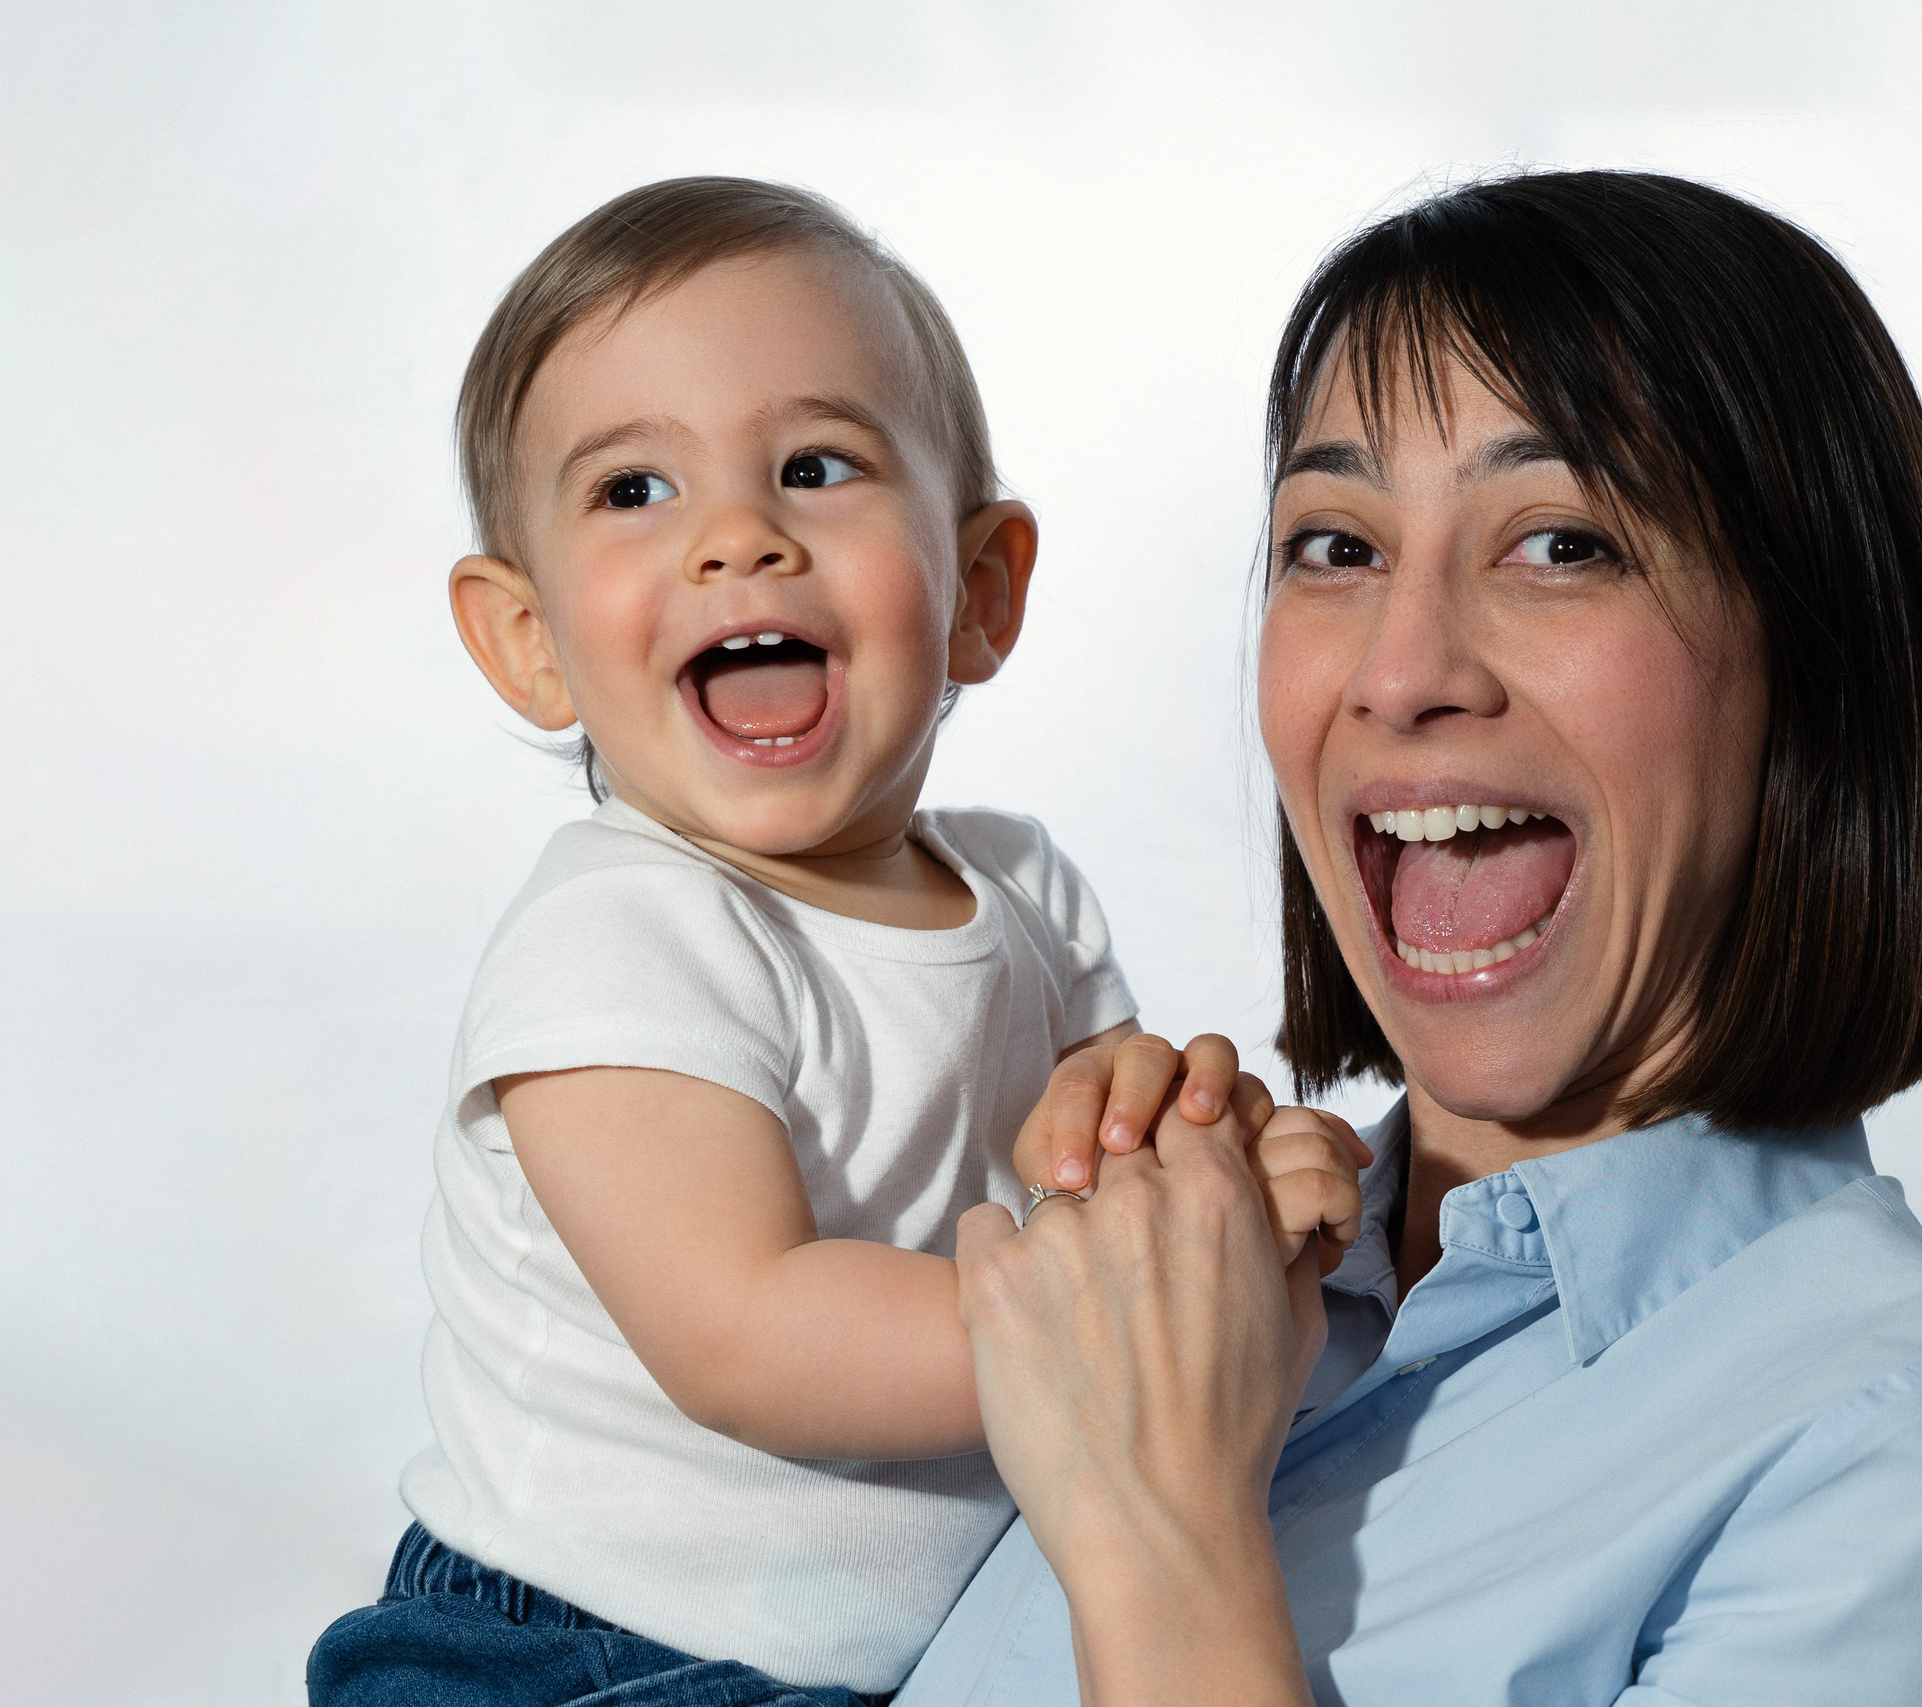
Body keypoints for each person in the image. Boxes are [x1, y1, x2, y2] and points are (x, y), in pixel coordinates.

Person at [909, 170, 1922, 1704]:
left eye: (1559, 542)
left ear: (1819, 672)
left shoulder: (1917, 1472)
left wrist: (1162, 1529)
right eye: (1336, 546)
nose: (1402, 670)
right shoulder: (1196, 1277)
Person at [306, 177, 1363, 1706]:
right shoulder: (621, 932)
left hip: (896, 1661)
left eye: (815, 466)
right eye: (632, 491)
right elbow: (747, 1333)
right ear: (529, 642)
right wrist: (1130, 1322)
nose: (737, 538)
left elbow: (1094, 1170)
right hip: (571, 1655)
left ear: (980, 594)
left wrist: (1212, 1172)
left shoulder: (1027, 893)